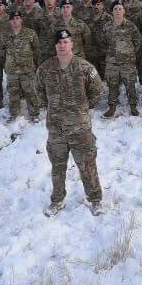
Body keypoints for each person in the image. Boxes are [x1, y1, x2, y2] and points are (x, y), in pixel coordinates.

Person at [36, 29, 104, 216]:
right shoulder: (45, 68)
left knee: (87, 165)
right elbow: (39, 91)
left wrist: (81, 109)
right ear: (55, 45)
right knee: (58, 166)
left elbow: (97, 91)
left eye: (66, 42)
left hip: (80, 128)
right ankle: (57, 200)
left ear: (72, 43)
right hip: (56, 128)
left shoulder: (84, 67)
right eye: (59, 43)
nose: (62, 45)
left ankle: (95, 199)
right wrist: (53, 108)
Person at [101, 1, 142, 118]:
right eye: (115, 9)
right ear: (112, 12)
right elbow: (103, 43)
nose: (118, 11)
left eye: (120, 9)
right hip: (112, 62)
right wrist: (110, 54)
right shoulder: (107, 27)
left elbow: (138, 40)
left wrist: (130, 52)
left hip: (127, 62)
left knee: (130, 84)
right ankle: (112, 107)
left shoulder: (130, 26)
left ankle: (133, 106)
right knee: (112, 84)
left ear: (124, 11)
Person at [1, 10, 40, 122]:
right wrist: (6, 66)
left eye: (17, 18)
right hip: (12, 70)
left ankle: (34, 114)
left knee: (30, 92)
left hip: (27, 69)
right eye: (13, 19)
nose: (15, 21)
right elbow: (2, 52)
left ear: (21, 20)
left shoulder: (30, 34)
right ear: (10, 21)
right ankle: (14, 114)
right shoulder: (5, 35)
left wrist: (35, 66)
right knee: (13, 93)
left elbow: (36, 50)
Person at [87, 0, 112, 79]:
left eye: (98, 4)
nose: (96, 6)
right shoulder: (89, 19)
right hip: (92, 54)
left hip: (105, 53)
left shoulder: (109, 18)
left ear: (103, 5)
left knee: (106, 77)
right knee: (93, 77)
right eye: (94, 4)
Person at [37, 0, 60, 64]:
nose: (49, 1)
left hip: (58, 50)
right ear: (44, 1)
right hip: (44, 51)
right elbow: (35, 31)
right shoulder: (38, 14)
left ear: (55, 0)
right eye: (47, 0)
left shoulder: (61, 13)